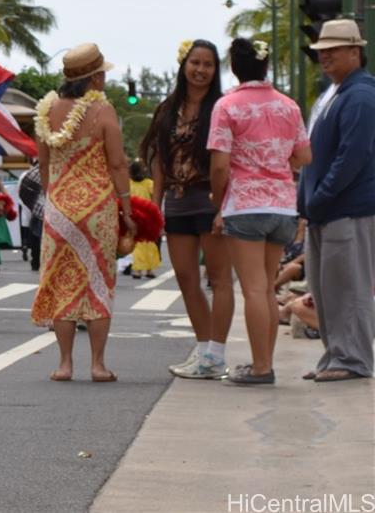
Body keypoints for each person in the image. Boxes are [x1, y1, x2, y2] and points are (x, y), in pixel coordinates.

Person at [207, 36, 312, 386]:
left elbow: (220, 166)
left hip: (246, 205)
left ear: (234, 68)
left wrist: (218, 201)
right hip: (283, 205)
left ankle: (261, 367)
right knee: (266, 288)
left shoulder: (227, 106)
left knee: (252, 289)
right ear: (266, 65)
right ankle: (263, 363)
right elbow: (303, 157)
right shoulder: (289, 106)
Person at [30, 43, 135, 383]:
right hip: (97, 209)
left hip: (59, 210)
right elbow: (117, 163)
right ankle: (98, 365)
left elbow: (44, 165)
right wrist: (128, 208)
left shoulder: (46, 111)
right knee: (98, 283)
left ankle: (64, 364)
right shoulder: (103, 110)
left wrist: (55, 198)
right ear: (95, 78)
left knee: (61, 283)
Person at [141, 38, 233, 380]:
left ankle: (216, 355)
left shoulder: (223, 108)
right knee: (185, 277)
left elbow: (229, 162)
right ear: (184, 65)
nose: (200, 70)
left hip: (211, 202)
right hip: (178, 204)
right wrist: (156, 205)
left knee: (220, 279)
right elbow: (161, 163)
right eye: (195, 62)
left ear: (215, 70)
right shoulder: (167, 108)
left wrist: (225, 207)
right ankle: (204, 349)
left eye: (208, 64)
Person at [301, 18, 375, 382]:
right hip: (327, 209)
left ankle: (353, 360)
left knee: (348, 286)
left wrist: (323, 194)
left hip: (347, 209)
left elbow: (353, 155)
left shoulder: (360, 95)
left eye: (332, 50)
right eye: (321, 51)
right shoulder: (339, 93)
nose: (324, 56)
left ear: (354, 52)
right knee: (327, 288)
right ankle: (336, 356)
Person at [125, 162, 159, 278]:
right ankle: (148, 270)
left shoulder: (129, 184)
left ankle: (139, 270)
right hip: (145, 217)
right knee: (148, 243)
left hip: (135, 217)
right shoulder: (149, 183)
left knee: (138, 244)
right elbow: (156, 197)